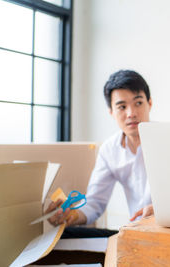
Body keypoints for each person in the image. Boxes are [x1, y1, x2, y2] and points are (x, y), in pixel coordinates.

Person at [46, 70, 154, 236]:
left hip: (168, 230)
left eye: (138, 103)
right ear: (111, 112)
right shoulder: (109, 149)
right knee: (65, 236)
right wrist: (70, 216)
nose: (131, 113)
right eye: (122, 107)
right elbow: (95, 203)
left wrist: (161, 211)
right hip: (135, 232)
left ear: (149, 104)